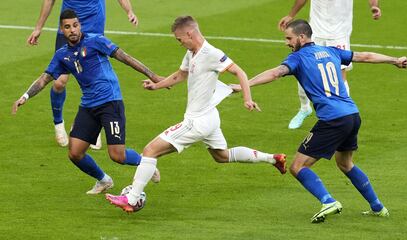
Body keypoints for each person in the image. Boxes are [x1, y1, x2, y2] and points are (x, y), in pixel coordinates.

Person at [232, 19, 407, 223]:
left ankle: (328, 201)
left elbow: (275, 73)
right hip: (352, 115)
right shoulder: (331, 52)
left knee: (297, 166)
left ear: (301, 37)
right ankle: (378, 207)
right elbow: (365, 56)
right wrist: (394, 60)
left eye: (289, 38)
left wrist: (244, 85)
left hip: (332, 120)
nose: (286, 43)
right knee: (345, 163)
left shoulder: (297, 58)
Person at [105, 15, 287, 212]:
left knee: (150, 151)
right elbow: (180, 74)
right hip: (210, 117)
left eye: (179, 39)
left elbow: (240, 73)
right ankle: (273, 159)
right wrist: (157, 85)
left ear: (189, 33)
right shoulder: (192, 53)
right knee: (222, 156)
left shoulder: (211, 53)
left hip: (197, 121)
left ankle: (131, 199)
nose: (179, 43)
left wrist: (247, 98)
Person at [13, 9, 162, 195]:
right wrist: (25, 96)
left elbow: (125, 57)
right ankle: (104, 180)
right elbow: (44, 79)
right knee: (75, 152)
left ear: (79, 25)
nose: (72, 30)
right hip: (89, 106)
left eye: (75, 25)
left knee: (117, 155)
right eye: (67, 27)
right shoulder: (62, 55)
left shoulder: (95, 41)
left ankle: (145, 163)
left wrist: (153, 75)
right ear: (62, 30)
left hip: (110, 102)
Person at [27, 0, 139, 148]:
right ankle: (58, 124)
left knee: (94, 77)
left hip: (94, 26)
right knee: (59, 82)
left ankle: (95, 125)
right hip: (68, 26)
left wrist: (129, 11)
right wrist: (38, 28)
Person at [278, 0, 382, 129]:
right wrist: (291, 15)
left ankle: (345, 113)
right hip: (315, 32)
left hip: (339, 34)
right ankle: (304, 108)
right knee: (303, 68)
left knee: (340, 75)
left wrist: (374, 6)